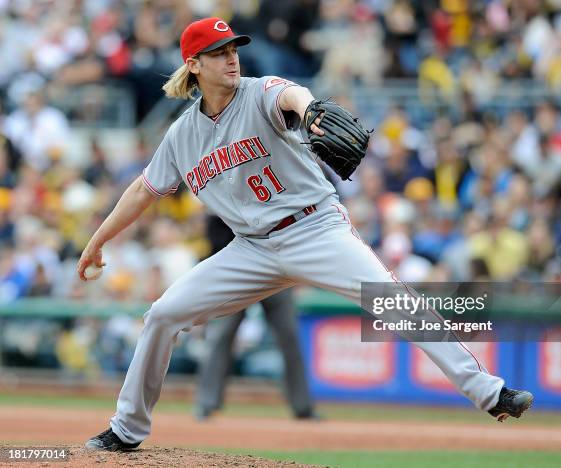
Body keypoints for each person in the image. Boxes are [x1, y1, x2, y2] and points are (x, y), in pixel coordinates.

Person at [78, 17, 533, 452]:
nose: (231, 58)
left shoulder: (260, 93)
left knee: (393, 299)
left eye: (233, 48)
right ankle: (127, 429)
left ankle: (489, 393)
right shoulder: (182, 136)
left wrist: (310, 108)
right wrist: (97, 240)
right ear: (194, 65)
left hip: (315, 228)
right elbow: (143, 189)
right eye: (218, 52)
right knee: (162, 314)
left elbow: (292, 96)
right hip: (250, 249)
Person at [194, 216, 316, 421]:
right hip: (236, 274)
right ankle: (206, 403)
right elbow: (214, 240)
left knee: (289, 337)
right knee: (221, 336)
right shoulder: (222, 193)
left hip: (277, 272)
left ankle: (303, 407)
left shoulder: (271, 192)